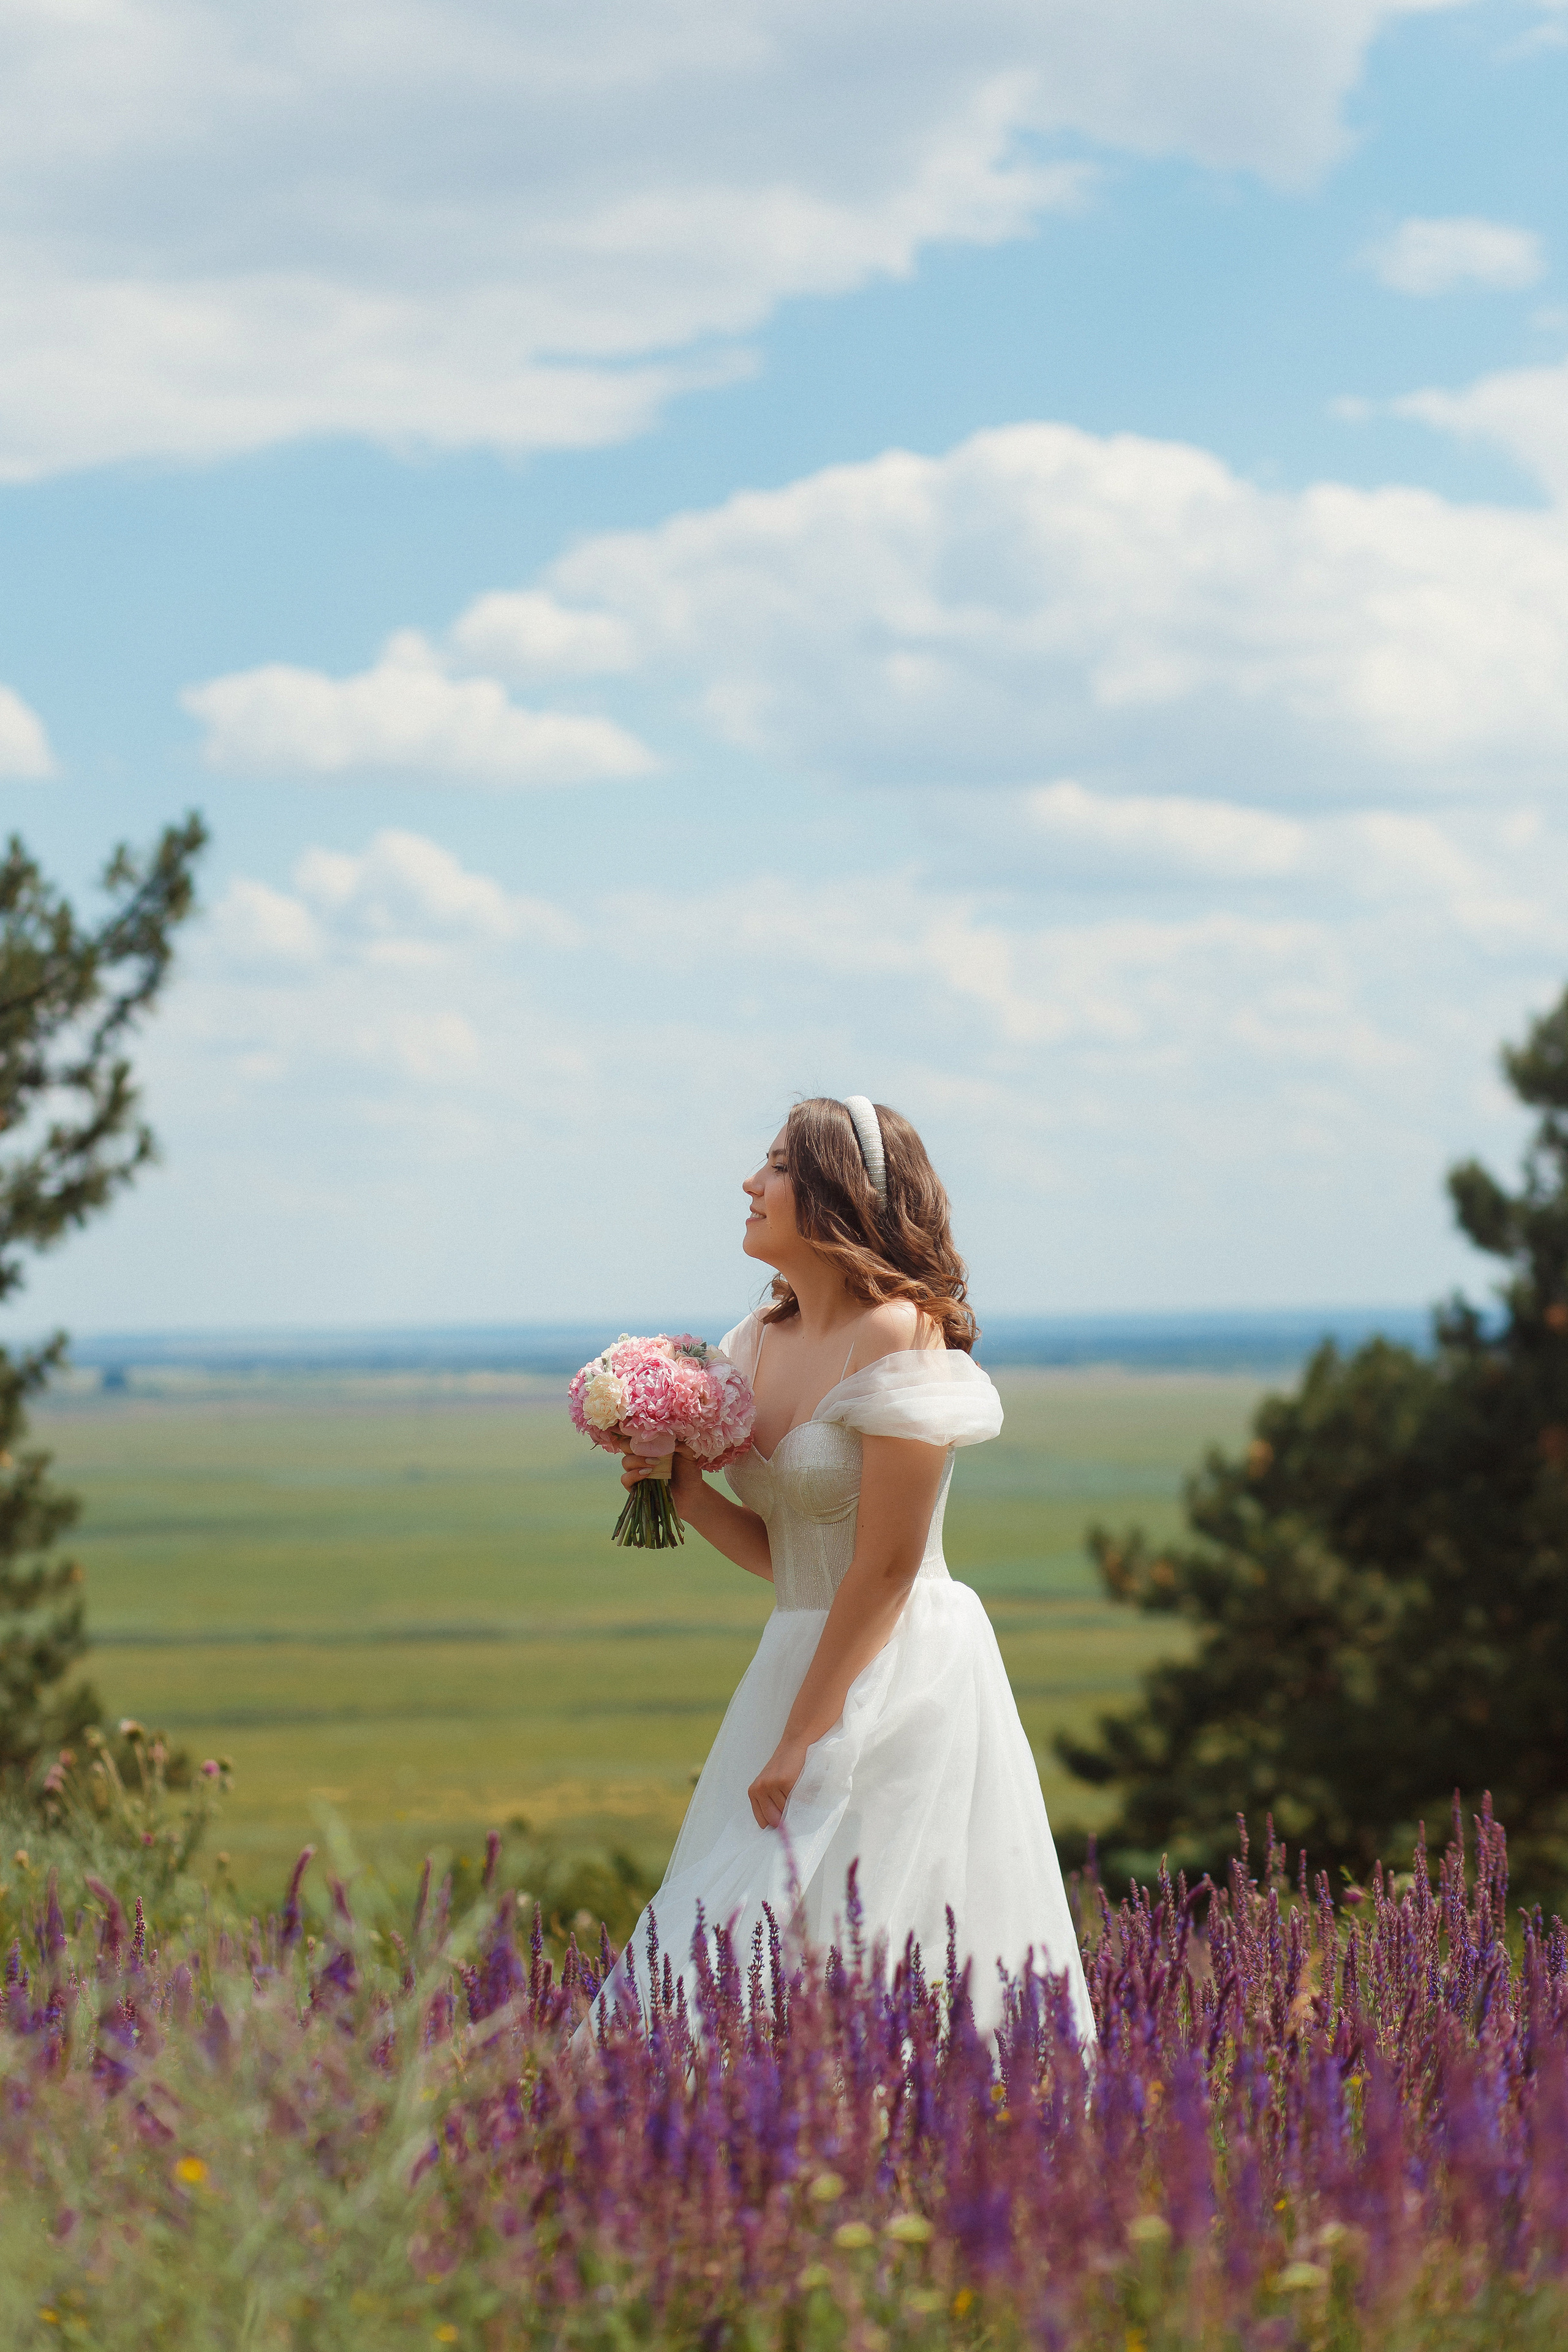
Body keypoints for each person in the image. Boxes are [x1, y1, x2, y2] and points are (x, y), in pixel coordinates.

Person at [597, 1095, 1093, 2043]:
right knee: (758, 1934)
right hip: (798, 1655)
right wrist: (687, 1492)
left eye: (778, 1165)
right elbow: (793, 1566)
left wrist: (803, 1738)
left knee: (889, 1931)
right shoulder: (751, 1345)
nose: (751, 1183)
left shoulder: (902, 1334)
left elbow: (886, 1570)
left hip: (900, 1667)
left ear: (837, 1193)